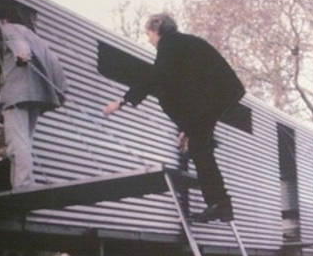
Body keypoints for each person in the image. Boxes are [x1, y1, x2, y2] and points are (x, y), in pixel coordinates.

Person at [103, 13, 245, 222]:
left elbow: (155, 78)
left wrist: (122, 101)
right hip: (219, 93)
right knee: (199, 144)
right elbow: (186, 91)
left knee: (197, 144)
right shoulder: (181, 45)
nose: (149, 40)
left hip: (216, 93)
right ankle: (220, 203)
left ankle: (220, 204)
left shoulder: (169, 46)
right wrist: (188, 128)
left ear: (156, 30)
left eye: (148, 34)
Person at [0, 6, 67, 189]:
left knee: (16, 142)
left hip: (16, 95)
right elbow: (56, 66)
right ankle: (21, 183)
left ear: (5, 19)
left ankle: (23, 184)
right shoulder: (38, 39)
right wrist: (61, 92)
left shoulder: (9, 28)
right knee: (25, 140)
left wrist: (21, 54)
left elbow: (19, 46)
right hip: (36, 98)